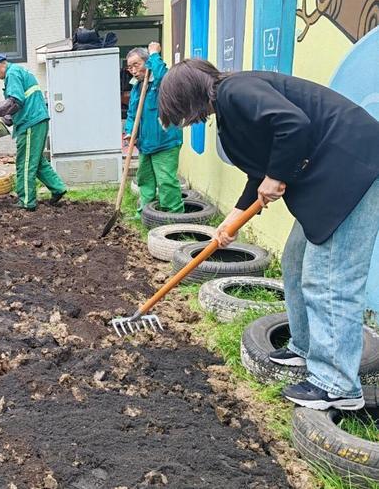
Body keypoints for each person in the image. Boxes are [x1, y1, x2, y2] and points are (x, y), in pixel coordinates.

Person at [159, 59, 379, 411]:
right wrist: (231, 220)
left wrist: (276, 176)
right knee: (295, 261)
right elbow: (258, 173)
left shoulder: (236, 90)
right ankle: (305, 347)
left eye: (180, 111)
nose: (187, 121)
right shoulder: (231, 109)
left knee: (330, 280)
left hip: (355, 170)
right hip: (332, 180)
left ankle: (337, 384)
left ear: (188, 95)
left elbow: (293, 125)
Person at [0, 53, 67, 211]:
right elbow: (20, 102)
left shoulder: (12, 74)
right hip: (37, 120)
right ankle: (58, 188)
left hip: (30, 122)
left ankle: (27, 201)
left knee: (25, 163)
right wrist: (8, 117)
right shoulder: (20, 71)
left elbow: (16, 100)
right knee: (37, 161)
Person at [124, 42, 184, 216]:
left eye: (137, 65)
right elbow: (131, 114)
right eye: (130, 67)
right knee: (145, 180)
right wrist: (130, 132)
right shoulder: (136, 88)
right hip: (145, 144)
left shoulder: (160, 83)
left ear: (147, 62)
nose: (134, 70)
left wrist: (154, 54)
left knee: (166, 181)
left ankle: (173, 216)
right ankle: (145, 213)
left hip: (165, 142)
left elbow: (163, 75)